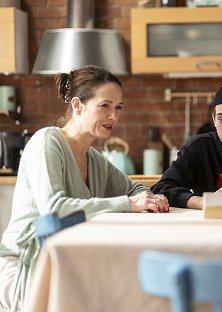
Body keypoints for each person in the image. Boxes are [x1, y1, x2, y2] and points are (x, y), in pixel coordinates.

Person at [0, 65, 169, 311]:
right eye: (105, 106)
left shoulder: (95, 159)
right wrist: (128, 204)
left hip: (63, 259)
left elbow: (134, 190)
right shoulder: (47, 142)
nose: (114, 116)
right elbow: (54, 209)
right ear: (78, 105)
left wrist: (151, 198)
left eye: (118, 107)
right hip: (23, 266)